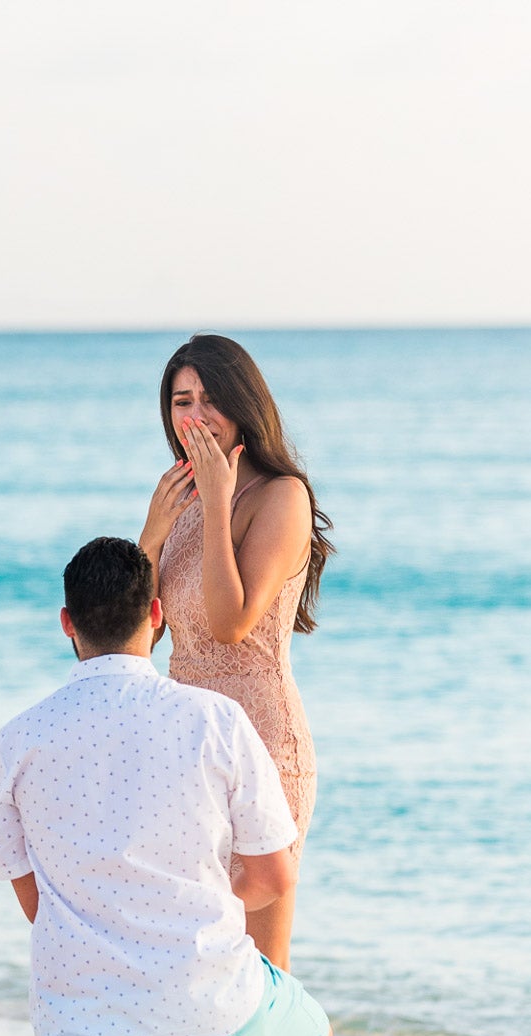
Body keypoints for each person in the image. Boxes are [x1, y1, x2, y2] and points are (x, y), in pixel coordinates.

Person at [0, 537, 336, 1036]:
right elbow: (274, 874)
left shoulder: (20, 737)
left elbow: (27, 890)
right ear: (156, 615)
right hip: (214, 1002)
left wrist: (102, 929)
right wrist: (209, 907)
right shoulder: (214, 718)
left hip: (93, 1034)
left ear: (65, 623)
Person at [137, 334, 334, 973]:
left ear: (245, 405)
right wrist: (152, 535)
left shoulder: (282, 497)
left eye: (213, 399)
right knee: (185, 967)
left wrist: (219, 505)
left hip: (261, 747)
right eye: (182, 401)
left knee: (256, 979)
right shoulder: (182, 502)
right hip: (183, 750)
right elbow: (138, 635)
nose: (197, 416)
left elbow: (228, 623)